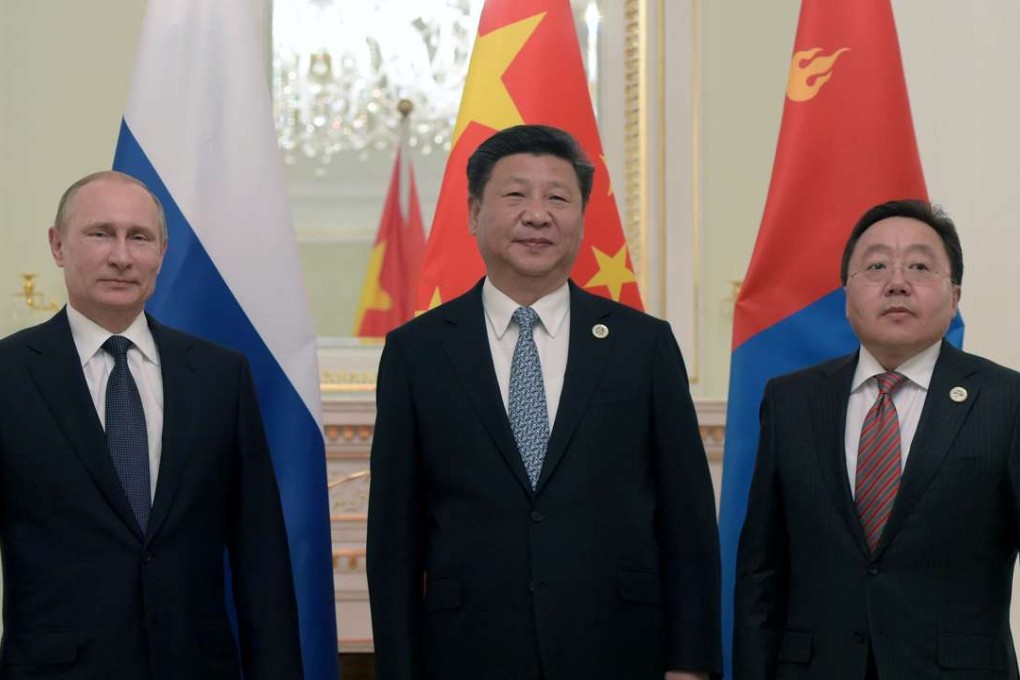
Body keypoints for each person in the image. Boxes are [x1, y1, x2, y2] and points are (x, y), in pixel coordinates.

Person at [367, 124, 721, 680]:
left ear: (581, 217)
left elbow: (688, 519)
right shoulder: (419, 351)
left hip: (620, 649)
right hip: (466, 654)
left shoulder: (642, 345)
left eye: (558, 197)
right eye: (515, 195)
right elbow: (393, 538)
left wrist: (691, 664)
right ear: (473, 212)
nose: (537, 214)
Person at [0, 171, 302, 678]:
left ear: (162, 252)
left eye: (139, 237)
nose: (122, 256)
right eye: (100, 233)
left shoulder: (219, 376)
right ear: (58, 245)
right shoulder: (9, 375)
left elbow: (261, 557)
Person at [734, 199, 1020, 679]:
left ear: (954, 297)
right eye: (876, 265)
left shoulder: (1006, 401)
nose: (897, 282)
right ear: (846, 295)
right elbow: (762, 570)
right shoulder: (792, 401)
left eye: (920, 266)